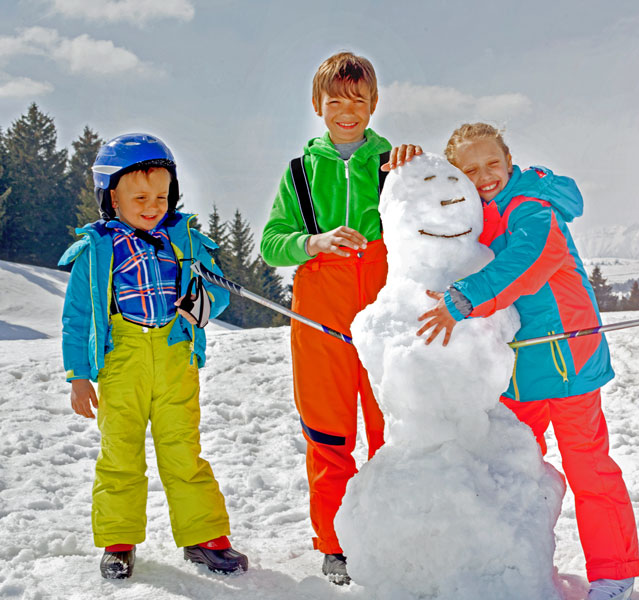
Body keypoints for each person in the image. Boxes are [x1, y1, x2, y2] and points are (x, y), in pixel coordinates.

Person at [415, 123, 639, 600]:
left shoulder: (531, 207)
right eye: (470, 169)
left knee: (588, 469)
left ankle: (613, 573)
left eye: (492, 165)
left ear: (509, 161)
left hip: (568, 359)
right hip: (519, 372)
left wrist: (463, 299)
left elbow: (527, 260)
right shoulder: (478, 215)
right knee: (516, 470)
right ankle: (522, 568)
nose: (484, 177)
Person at [259, 51, 419, 585]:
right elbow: (271, 243)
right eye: (335, 101)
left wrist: (417, 167)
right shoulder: (300, 173)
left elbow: (430, 219)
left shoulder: (392, 163)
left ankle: (392, 533)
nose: (346, 111)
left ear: (373, 105)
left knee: (389, 426)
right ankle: (334, 544)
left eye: (357, 100)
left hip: (384, 311)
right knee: (328, 433)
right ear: (317, 105)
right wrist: (314, 241)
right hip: (318, 317)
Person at [60, 133, 248, 580]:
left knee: (183, 449)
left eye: (161, 196)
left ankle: (205, 538)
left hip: (173, 353)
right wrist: (79, 375)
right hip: (121, 356)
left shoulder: (186, 239)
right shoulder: (97, 249)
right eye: (139, 196)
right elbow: (78, 316)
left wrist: (197, 304)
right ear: (112, 198)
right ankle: (118, 540)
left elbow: (218, 291)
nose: (152, 205)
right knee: (120, 451)